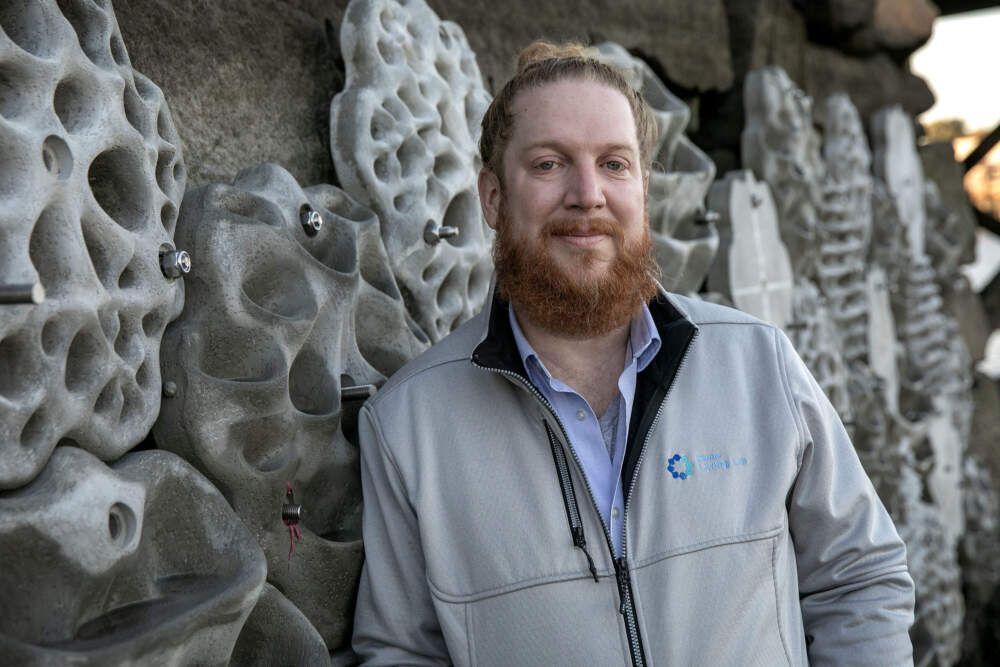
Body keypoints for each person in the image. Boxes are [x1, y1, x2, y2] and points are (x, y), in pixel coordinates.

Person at [352, 42, 915, 666]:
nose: (587, 193)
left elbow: (860, 579)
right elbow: (401, 653)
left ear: (644, 188)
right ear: (492, 198)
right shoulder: (408, 424)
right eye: (548, 164)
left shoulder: (759, 365)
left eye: (614, 164)